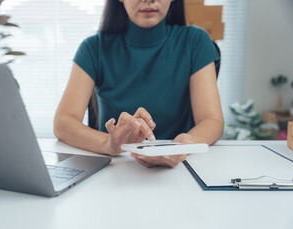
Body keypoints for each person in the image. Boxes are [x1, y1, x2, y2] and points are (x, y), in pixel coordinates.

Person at [54, 0, 224, 168]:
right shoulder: (93, 48)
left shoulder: (195, 41)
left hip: (178, 168)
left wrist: (183, 146)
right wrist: (109, 144)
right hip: (116, 166)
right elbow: (63, 122)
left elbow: (211, 120)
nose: (148, 0)